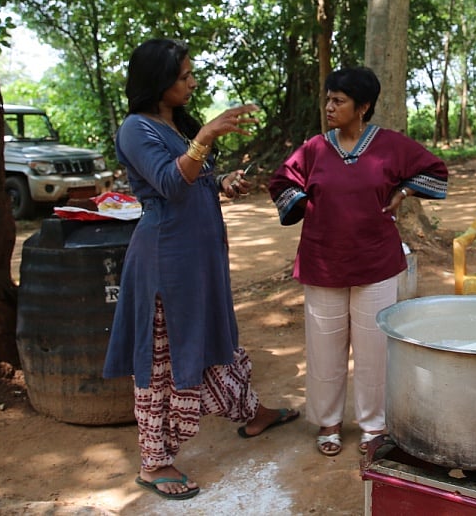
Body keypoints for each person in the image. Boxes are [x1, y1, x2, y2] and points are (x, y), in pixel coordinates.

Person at [103, 39, 299, 501]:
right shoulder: (136, 128)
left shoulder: (174, 123)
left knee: (214, 337)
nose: (192, 82)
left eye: (191, 73)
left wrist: (222, 181)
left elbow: (193, 178)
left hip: (199, 256)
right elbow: (170, 183)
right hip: (165, 262)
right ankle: (154, 462)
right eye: (183, 76)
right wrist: (207, 135)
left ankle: (251, 412)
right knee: (164, 358)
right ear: (158, 82)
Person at [267, 66, 448, 457]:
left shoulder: (391, 145)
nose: (329, 107)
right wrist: (308, 205)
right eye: (328, 99)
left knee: (375, 351)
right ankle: (328, 422)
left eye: (339, 100)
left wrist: (404, 191)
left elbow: (436, 172)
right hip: (322, 262)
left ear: (363, 106)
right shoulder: (314, 148)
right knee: (324, 349)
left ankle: (374, 424)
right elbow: (282, 182)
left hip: (376, 262)